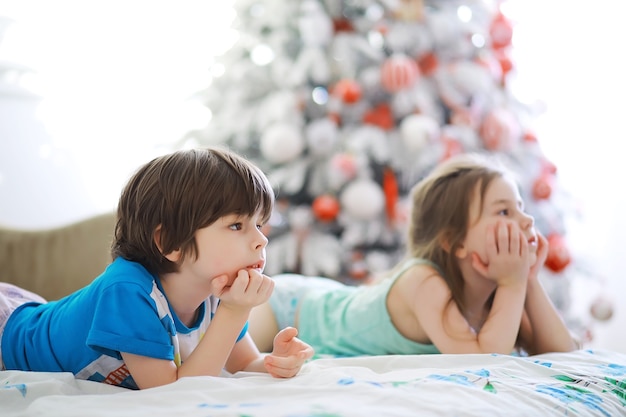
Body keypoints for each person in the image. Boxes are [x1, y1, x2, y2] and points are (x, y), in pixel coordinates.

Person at [0, 147, 313, 389]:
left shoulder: (216, 292)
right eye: (236, 225)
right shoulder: (128, 290)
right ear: (169, 243)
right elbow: (171, 394)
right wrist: (234, 313)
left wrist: (276, 363)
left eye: (259, 224)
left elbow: (245, 362)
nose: (260, 239)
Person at [248, 152, 579, 356]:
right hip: (288, 311)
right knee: (235, 357)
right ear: (455, 241)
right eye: (504, 213)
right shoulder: (424, 280)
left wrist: (528, 281)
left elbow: (562, 352)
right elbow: (483, 358)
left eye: (521, 208)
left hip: (331, 299)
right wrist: (513, 282)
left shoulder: (503, 290)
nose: (528, 221)